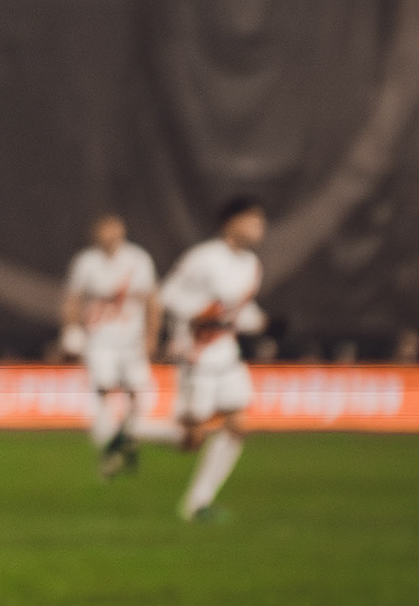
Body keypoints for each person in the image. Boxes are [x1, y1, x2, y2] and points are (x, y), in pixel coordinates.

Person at [157, 197, 271, 523]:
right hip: (197, 356)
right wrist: (198, 316)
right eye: (252, 220)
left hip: (227, 354)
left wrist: (260, 321)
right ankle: (129, 432)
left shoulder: (251, 265)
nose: (259, 227)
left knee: (238, 425)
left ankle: (198, 503)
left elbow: (235, 311)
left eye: (260, 222)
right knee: (191, 438)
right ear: (231, 223)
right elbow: (167, 295)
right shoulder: (203, 258)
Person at [60, 211, 159, 479]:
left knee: (136, 391)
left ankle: (126, 438)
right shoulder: (86, 262)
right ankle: (111, 446)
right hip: (99, 340)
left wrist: (152, 337)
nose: (108, 235)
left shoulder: (138, 259)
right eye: (103, 230)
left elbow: (152, 301)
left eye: (113, 229)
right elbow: (73, 299)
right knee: (103, 389)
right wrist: (71, 329)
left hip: (131, 340)